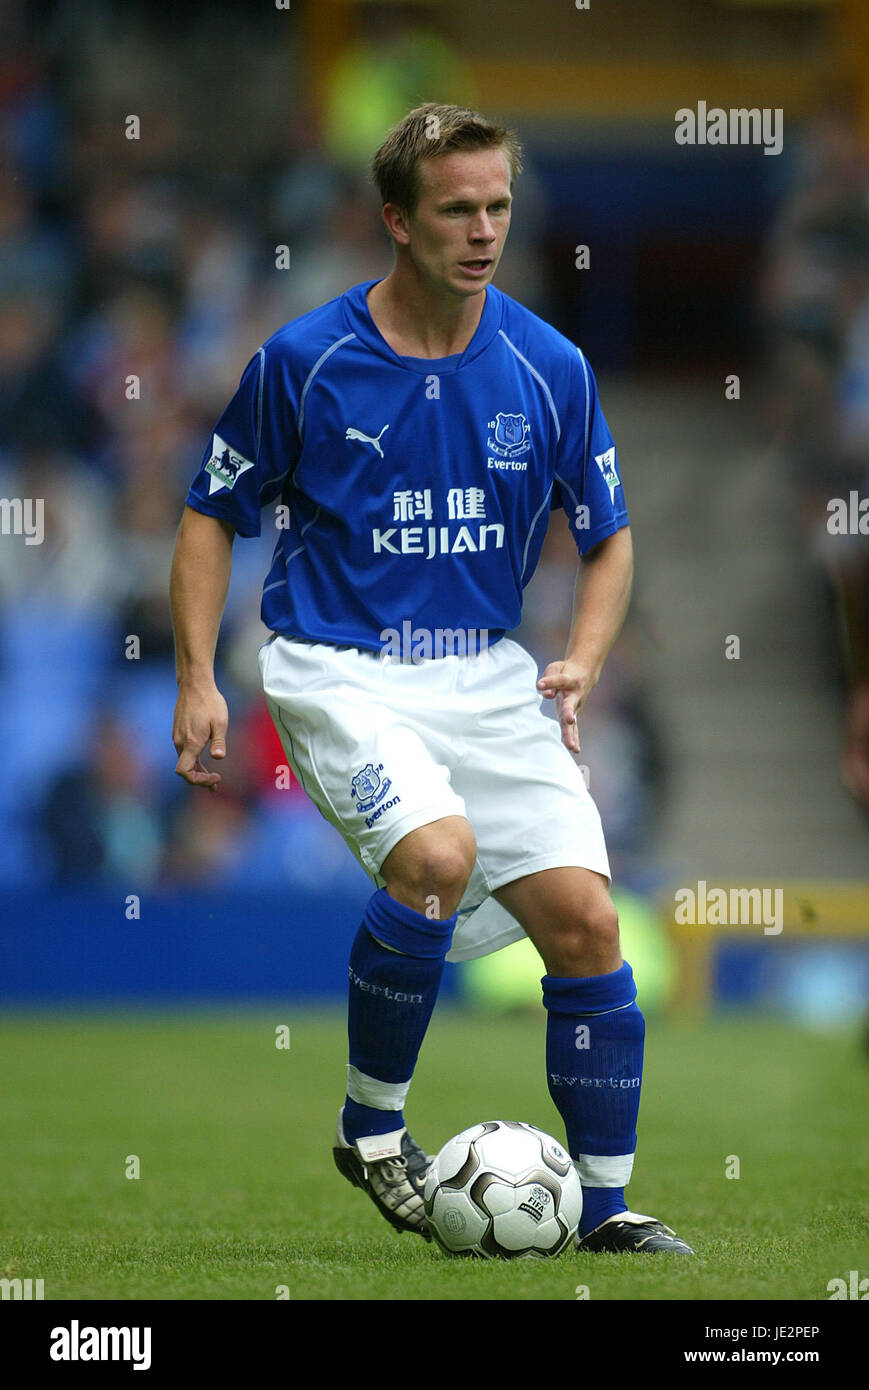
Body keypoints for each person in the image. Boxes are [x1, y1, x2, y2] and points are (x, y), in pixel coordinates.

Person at [170, 103, 693, 1254]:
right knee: (437, 859)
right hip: (335, 666)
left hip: (488, 674)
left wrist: (583, 658)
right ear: (396, 221)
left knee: (588, 923)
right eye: (456, 208)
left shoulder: (548, 366)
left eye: (498, 206)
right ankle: (371, 1128)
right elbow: (210, 514)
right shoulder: (302, 364)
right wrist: (199, 677)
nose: (482, 230)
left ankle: (604, 1209)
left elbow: (606, 534)